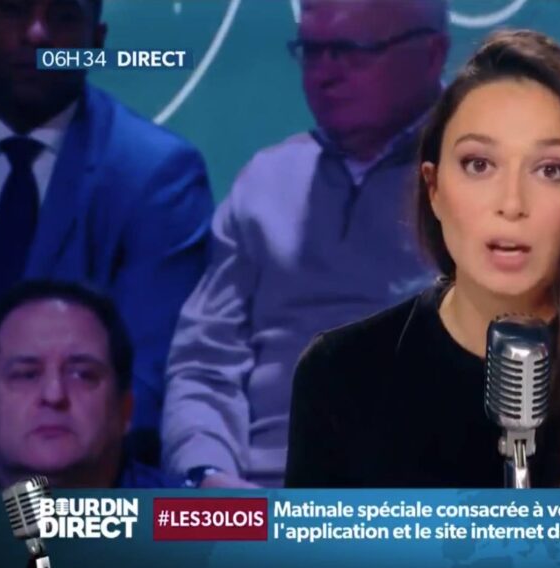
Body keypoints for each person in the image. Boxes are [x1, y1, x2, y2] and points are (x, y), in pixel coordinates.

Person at [284, 29, 560, 489]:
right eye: (479, 165)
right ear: (434, 187)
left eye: (550, 170)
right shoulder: (341, 376)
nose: (511, 203)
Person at [162, 0, 449, 488]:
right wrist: (207, 473)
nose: (324, 75)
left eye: (351, 51)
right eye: (312, 51)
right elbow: (205, 363)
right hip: (261, 492)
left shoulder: (489, 183)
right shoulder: (265, 183)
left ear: (431, 55)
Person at [0, 0, 214, 465]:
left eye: (63, 17)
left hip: (71, 479)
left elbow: (141, 386)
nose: (37, 35)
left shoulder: (157, 175)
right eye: (14, 10)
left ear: (96, 42)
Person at [0, 280, 181, 489]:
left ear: (125, 410)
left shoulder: (188, 509)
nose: (54, 394)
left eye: (82, 375)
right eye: (26, 375)